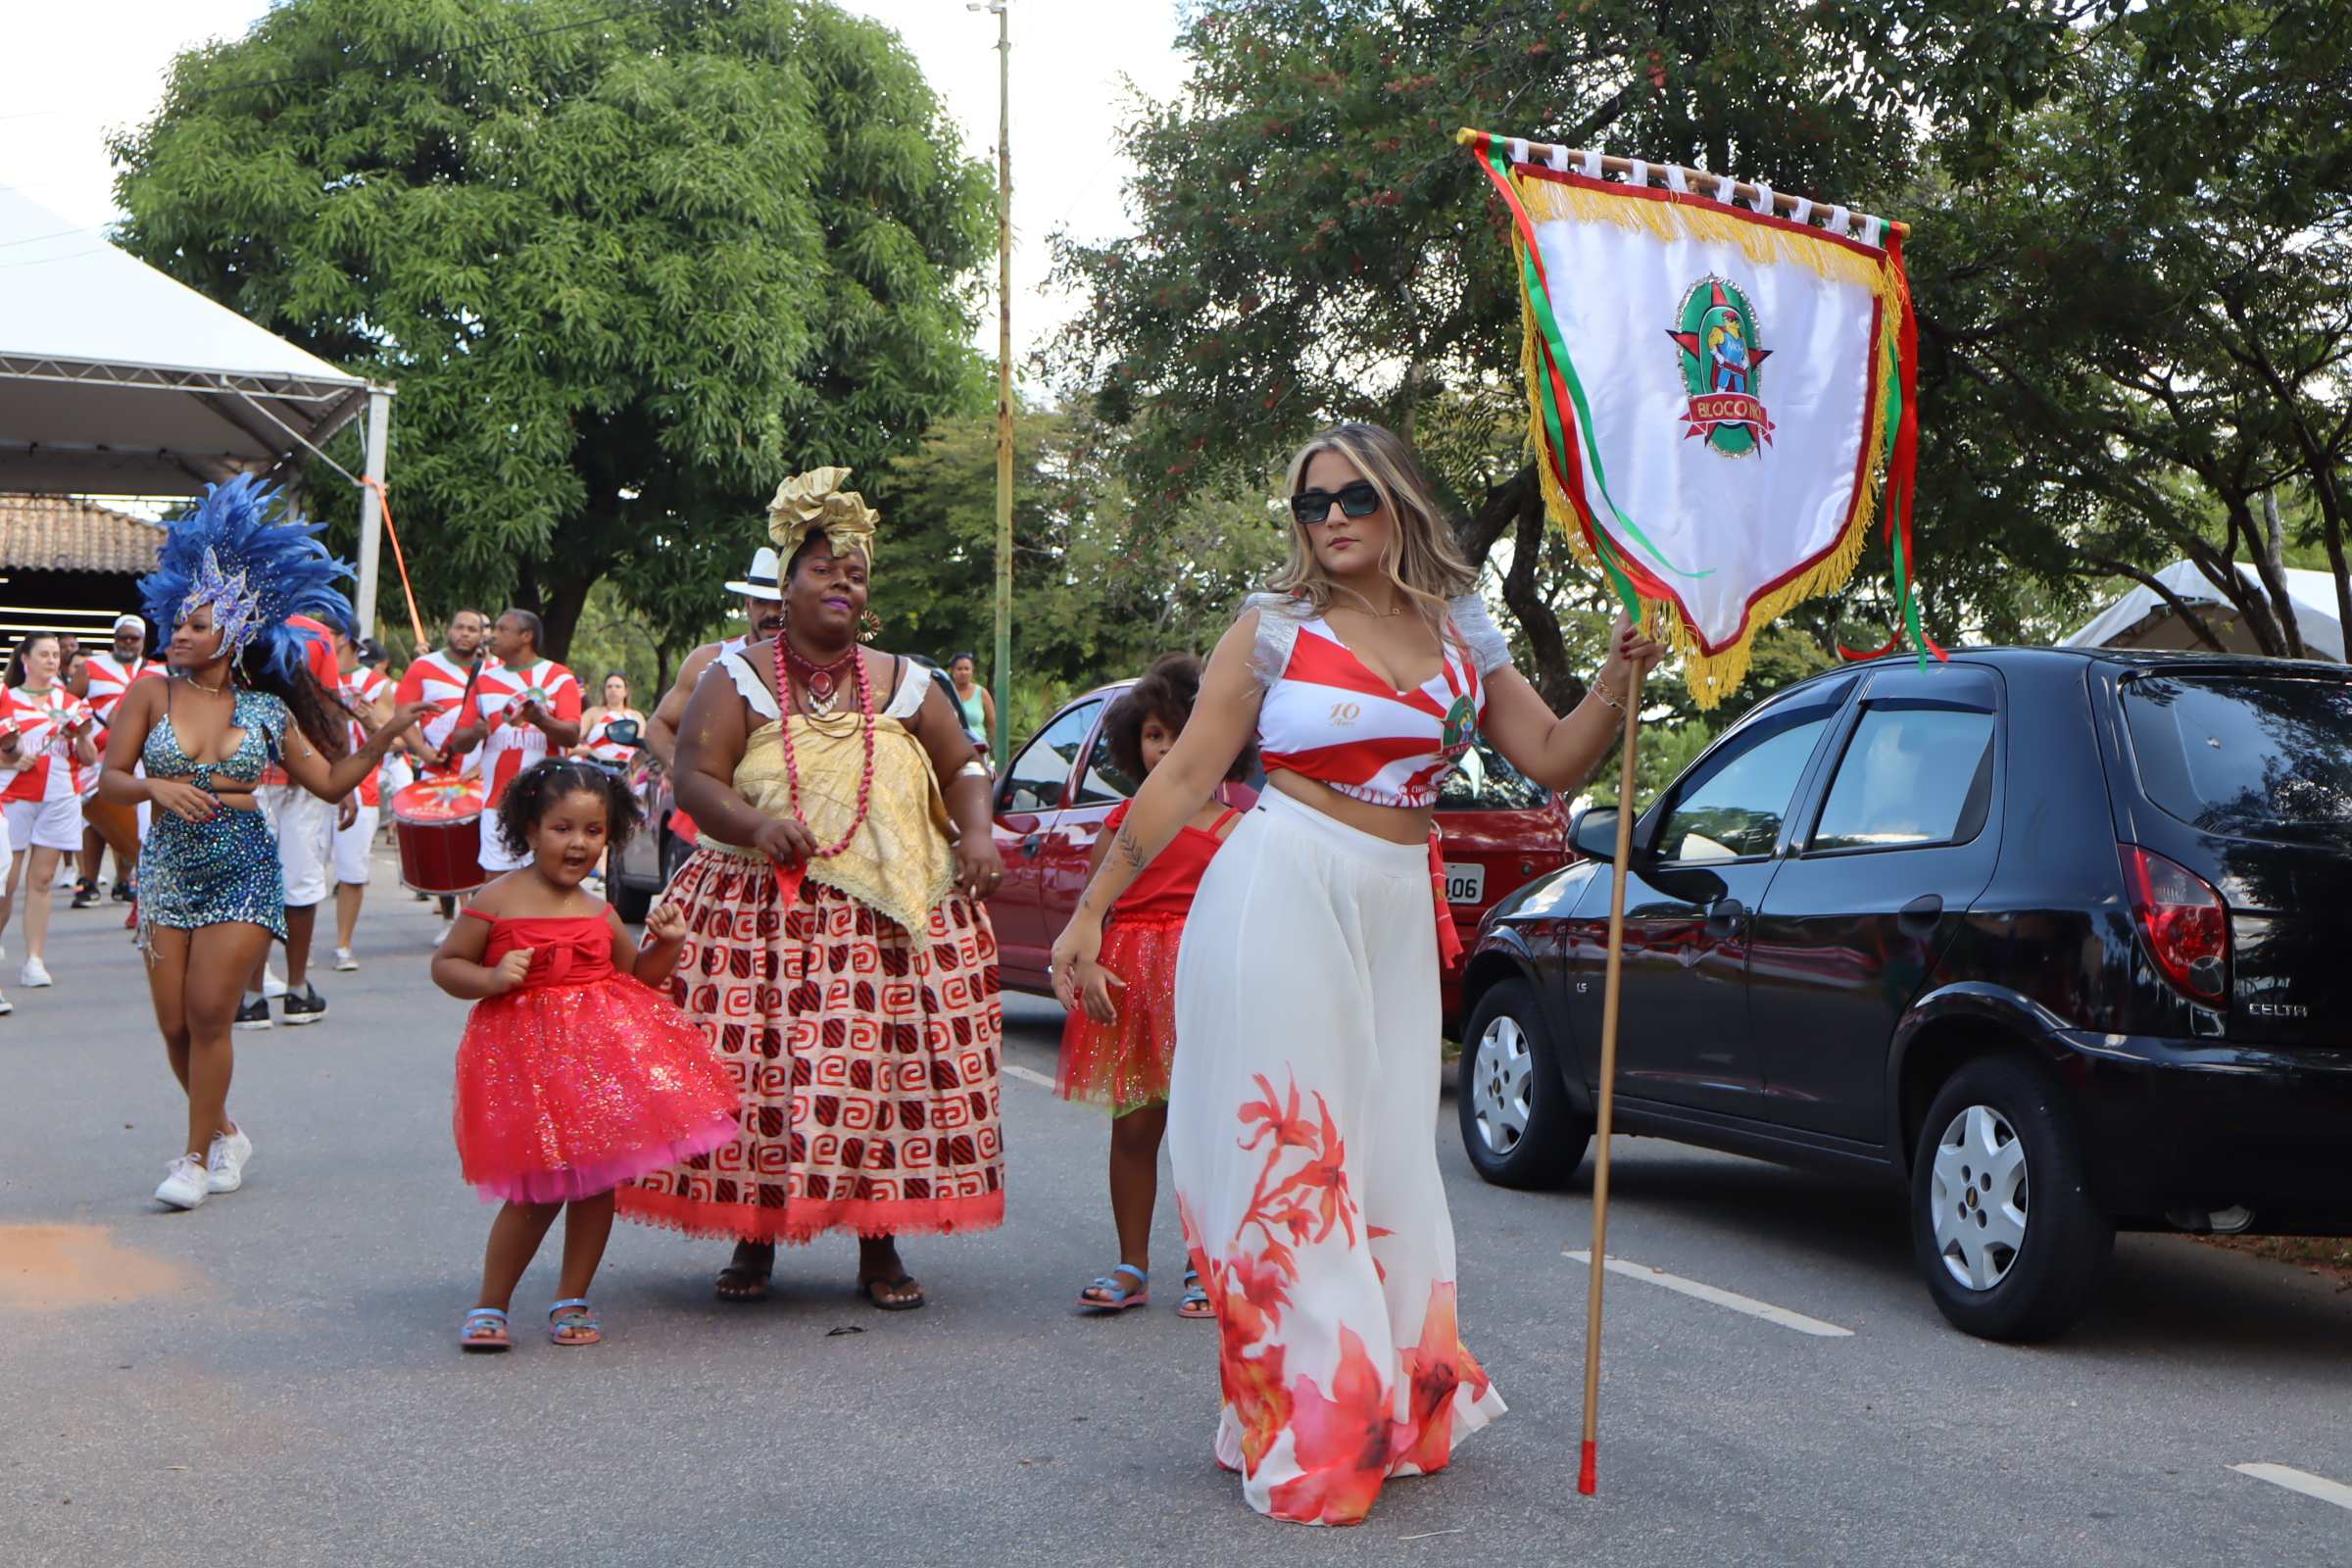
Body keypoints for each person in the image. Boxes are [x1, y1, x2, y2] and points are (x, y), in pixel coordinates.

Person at [1049, 422, 1663, 1526]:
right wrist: (1093, 907)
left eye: (1352, 498)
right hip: (1282, 880)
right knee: (1299, 1153)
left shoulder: (1461, 632)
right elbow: (1187, 772)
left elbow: (1561, 756)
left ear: (1399, 504)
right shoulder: (1275, 628)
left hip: (1391, 903)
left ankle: (1372, 1399)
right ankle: (1315, 1423)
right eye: (1311, 504)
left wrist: (1620, 681)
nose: (1330, 518)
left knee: (1385, 1156)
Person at [617, 467, 1006, 1312]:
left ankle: (880, 1244)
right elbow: (694, 777)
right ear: (785, 583)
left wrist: (975, 830)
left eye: (856, 573)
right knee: (756, 1079)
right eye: (824, 567)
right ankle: (754, 1244)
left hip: (886, 925)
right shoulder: (736, 676)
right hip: (762, 914)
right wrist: (757, 827)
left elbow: (964, 763)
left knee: (880, 1079)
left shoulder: (907, 680)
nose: (842, 582)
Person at [98, 475, 424, 1210]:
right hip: (167, 869)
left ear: (234, 634)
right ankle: (227, 1133)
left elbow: (333, 783)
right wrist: (155, 787)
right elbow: (110, 782)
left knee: (212, 1012)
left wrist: (387, 735)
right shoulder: (149, 693)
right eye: (176, 623)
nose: (177, 634)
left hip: (243, 864)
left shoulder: (269, 709)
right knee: (175, 1023)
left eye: (196, 626)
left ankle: (191, 1157)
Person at [434, 759, 740, 1352]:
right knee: (534, 1191)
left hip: (596, 1073)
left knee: (597, 1188)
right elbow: (446, 966)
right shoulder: (496, 899)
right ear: (529, 827)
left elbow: (637, 976)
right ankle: (491, 1302)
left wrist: (668, 944)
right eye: (562, 828)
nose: (579, 843)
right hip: (524, 1066)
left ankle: (572, 1297)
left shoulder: (598, 911)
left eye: (594, 831)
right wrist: (493, 977)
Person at [1061, 654, 1249, 1321]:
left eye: (1183, 732)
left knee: (1212, 1133)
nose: (1168, 748)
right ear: (1133, 743)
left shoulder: (1245, 821)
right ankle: (1131, 1265)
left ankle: (1207, 1264)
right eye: (1154, 735)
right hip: (1132, 990)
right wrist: (1086, 968)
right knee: (1135, 1131)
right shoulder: (1122, 826)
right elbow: (1092, 910)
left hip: (1209, 989)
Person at [236, 610, 353, 1029]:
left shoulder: (227, 619)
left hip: (273, 776)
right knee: (287, 882)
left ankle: (260, 996)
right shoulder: (312, 632)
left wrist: (344, 781)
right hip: (271, 775)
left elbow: (328, 707)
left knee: (270, 882)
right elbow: (331, 709)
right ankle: (293, 991)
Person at [442, 611, 583, 879]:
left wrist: (541, 719)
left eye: (502, 629)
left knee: (546, 882)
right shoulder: (484, 681)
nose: (492, 635)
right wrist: (475, 733)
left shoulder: (559, 677)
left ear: (526, 636)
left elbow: (571, 735)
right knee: (496, 883)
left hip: (548, 803)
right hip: (498, 804)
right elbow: (458, 741)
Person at [0, 632, 101, 990]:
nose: (52, 660)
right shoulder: (7, 699)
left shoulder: (72, 703)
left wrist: (82, 736)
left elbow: (89, 758)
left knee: (41, 881)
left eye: (56, 654)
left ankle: (34, 960)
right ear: (25, 659)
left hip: (59, 798)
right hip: (13, 797)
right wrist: (12, 760)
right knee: (5, 884)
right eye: (43, 654)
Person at [641, 547, 785, 769]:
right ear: (748, 604)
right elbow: (658, 725)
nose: (772, 613)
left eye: (780, 603)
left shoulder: (814, 666)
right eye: (762, 602)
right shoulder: (710, 659)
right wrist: (677, 765)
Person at [74, 613, 160, 906]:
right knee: (97, 819)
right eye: (122, 636)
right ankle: (88, 880)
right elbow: (68, 703)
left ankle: (125, 881)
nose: (127, 642)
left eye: (133, 638)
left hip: (142, 758)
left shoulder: (157, 671)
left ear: (143, 641)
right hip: (98, 757)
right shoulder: (91, 667)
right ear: (114, 638)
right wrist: (89, 728)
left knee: (135, 817)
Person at [329, 623, 395, 971]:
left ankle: (343, 944)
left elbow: (395, 740)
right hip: (311, 782)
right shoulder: (307, 675)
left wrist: (369, 720)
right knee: (297, 868)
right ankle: (300, 941)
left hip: (361, 785)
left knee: (351, 871)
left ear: (344, 638)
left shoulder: (376, 684)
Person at [575, 672, 645, 772]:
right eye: (609, 686)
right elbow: (574, 736)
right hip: (595, 767)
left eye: (618, 686)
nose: (613, 689)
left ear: (626, 691)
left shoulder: (636, 716)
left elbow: (641, 749)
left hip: (624, 770)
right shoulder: (593, 712)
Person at [946, 652, 994, 745]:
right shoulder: (945, 693)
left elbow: (993, 725)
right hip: (952, 747)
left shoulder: (982, 692)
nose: (963, 672)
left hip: (978, 748)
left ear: (972, 670)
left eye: (967, 669)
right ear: (953, 670)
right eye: (959, 669)